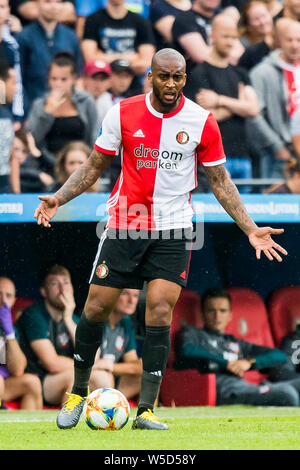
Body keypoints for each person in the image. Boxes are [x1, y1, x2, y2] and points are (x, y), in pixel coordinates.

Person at [33, 48, 288, 431]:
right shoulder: (122, 112)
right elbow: (92, 165)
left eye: (179, 77)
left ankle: (147, 410)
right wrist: (59, 196)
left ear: (186, 78)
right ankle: (78, 391)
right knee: (96, 308)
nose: (171, 84)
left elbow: (219, 182)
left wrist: (250, 227)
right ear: (150, 76)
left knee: (159, 311)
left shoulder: (202, 121)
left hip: (174, 228)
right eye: (164, 76)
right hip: (125, 224)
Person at [177, 288, 300, 406]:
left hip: (247, 387)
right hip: (224, 390)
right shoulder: (193, 333)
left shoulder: (237, 343)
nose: (217, 316)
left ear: (230, 315)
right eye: (211, 311)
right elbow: (187, 350)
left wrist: (248, 362)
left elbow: (280, 356)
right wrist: (226, 364)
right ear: (203, 314)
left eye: (222, 311)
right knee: (287, 394)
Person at [185, 14, 259, 186]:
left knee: (245, 209)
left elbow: (254, 109)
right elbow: (203, 119)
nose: (230, 42)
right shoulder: (198, 74)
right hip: (213, 157)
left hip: (243, 155)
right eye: (225, 36)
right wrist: (239, 105)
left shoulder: (240, 73)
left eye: (233, 37)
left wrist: (219, 100)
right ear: (212, 36)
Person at [16, 265, 105, 407]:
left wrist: (68, 319)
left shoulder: (73, 318)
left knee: (103, 377)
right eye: (54, 284)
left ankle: (100, 423)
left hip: (64, 374)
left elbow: (93, 356)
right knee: (75, 378)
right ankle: (68, 424)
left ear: (72, 288)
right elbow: (52, 364)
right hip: (40, 380)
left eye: (65, 282)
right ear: (44, 291)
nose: (62, 289)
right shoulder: (34, 315)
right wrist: (89, 366)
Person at [28, 52, 98, 175]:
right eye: (54, 79)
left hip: (81, 165)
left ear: (73, 79)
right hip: (47, 166)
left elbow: (94, 136)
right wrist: (47, 113)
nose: (58, 84)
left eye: (63, 79)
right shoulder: (40, 104)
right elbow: (32, 141)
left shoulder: (86, 101)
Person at [249, 18, 300, 178]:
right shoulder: (261, 72)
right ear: (279, 41)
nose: (294, 45)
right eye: (289, 40)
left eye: (298, 40)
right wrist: (276, 146)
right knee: (275, 200)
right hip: (278, 154)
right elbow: (254, 114)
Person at [17, 0, 83, 113]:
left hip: (66, 110)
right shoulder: (24, 38)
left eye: (58, 2)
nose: (53, 6)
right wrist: (25, 112)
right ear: (37, 4)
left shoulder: (71, 37)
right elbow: (18, 80)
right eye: (47, 2)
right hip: (34, 109)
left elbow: (79, 75)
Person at [0, 277, 43, 410]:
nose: (3, 301)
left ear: (13, 301)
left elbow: (18, 370)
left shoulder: (11, 328)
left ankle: (35, 431)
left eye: (8, 296)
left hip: (4, 384)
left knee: (32, 382)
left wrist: (10, 334)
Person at [81, 0, 156, 77]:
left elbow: (146, 64)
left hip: (133, 83)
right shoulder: (93, 20)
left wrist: (104, 57)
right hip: (102, 80)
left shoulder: (141, 22)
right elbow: (90, 60)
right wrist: (131, 58)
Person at [93, 289, 142, 400]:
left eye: (135, 296)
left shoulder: (126, 322)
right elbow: (93, 366)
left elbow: (135, 366)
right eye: (125, 294)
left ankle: (145, 415)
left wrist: (111, 366)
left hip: (111, 382)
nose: (131, 300)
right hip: (90, 381)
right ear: (111, 296)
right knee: (103, 377)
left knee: (149, 377)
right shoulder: (97, 318)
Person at [171, 0, 221, 74]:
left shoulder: (221, 20)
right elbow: (203, 57)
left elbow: (237, 56)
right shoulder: (184, 19)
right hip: (195, 80)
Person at [10, 128, 54, 193]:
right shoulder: (4, 170)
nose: (19, 155)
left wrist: (36, 152)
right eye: (16, 149)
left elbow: (58, 169)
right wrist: (38, 174)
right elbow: (10, 172)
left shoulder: (31, 172)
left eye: (25, 151)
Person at [238, 1, 275, 70]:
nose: (262, 22)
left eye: (264, 16)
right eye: (256, 19)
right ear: (248, 26)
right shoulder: (243, 46)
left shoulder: (279, 39)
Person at [0, 64, 16, 193]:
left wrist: (16, 193)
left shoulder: (6, 113)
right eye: (13, 83)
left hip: (4, 185)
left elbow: (12, 156)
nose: (15, 89)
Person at [81, 59, 112, 127]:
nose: (98, 83)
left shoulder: (112, 103)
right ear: (84, 79)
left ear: (109, 82)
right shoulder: (75, 101)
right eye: (94, 78)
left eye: (102, 79)